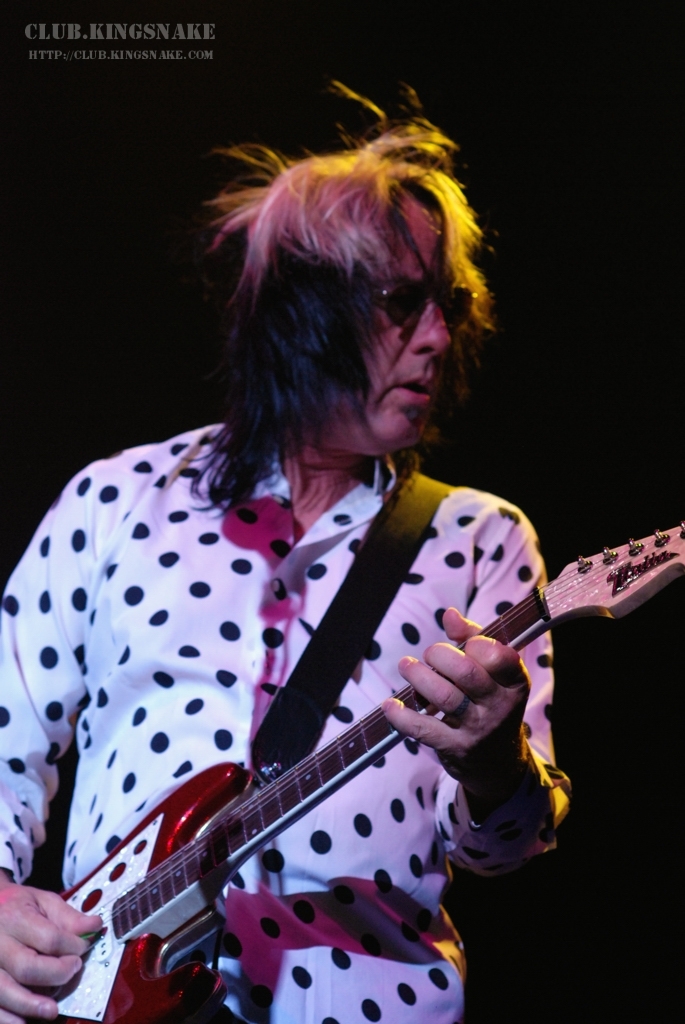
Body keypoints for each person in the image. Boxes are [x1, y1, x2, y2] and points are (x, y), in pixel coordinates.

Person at [0, 89, 570, 1024]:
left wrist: (493, 759)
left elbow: (505, 846)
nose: (438, 336)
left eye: (451, 304)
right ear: (301, 311)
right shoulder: (117, 500)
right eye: (402, 302)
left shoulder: (478, 538)